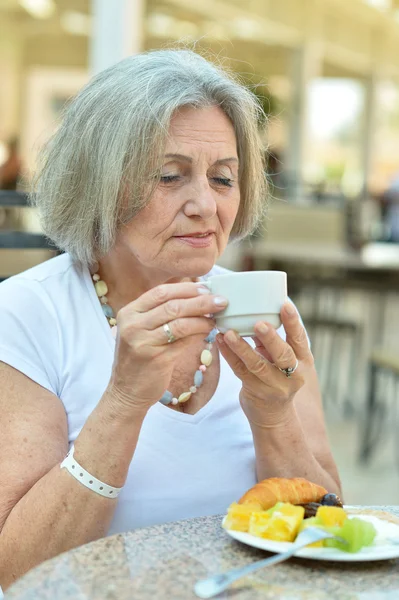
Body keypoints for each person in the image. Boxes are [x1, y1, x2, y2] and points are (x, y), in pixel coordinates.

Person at [0, 49, 341, 591]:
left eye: (223, 178)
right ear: (99, 183)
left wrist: (275, 419)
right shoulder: (27, 315)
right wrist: (124, 402)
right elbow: (19, 572)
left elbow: (328, 537)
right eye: (169, 176)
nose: (205, 204)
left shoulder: (259, 309)